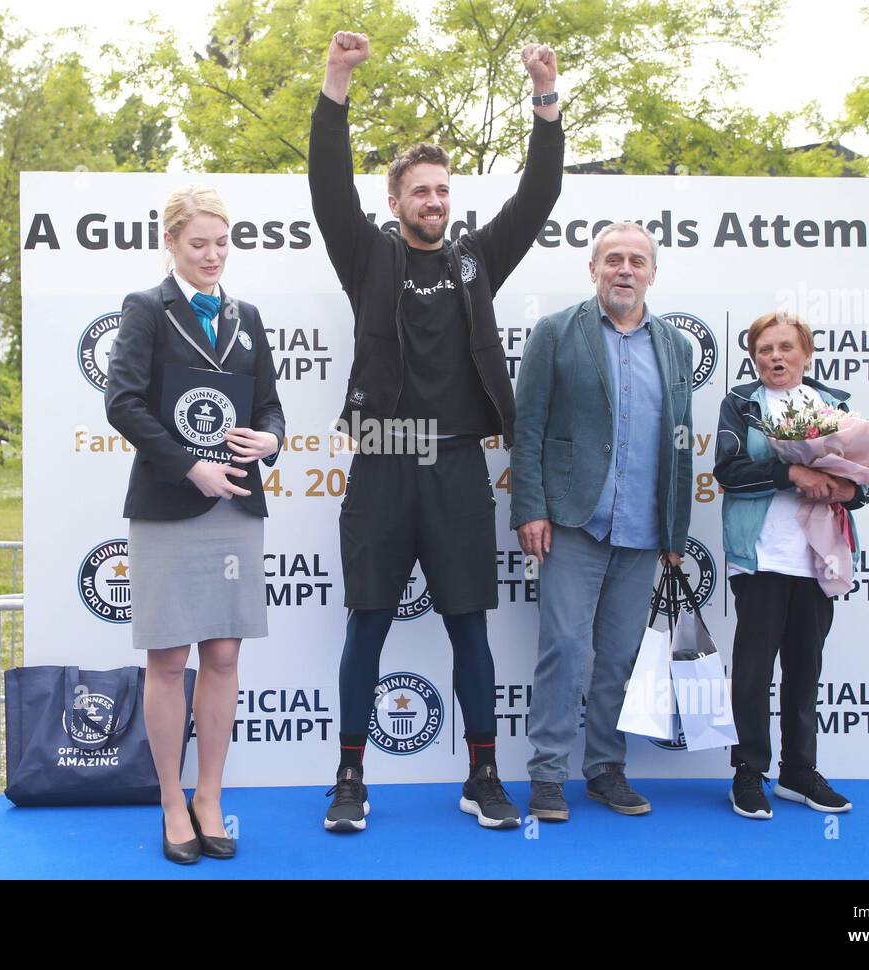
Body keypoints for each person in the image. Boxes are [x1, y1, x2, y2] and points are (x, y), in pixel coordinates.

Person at [309, 30, 564, 831]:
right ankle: (350, 779)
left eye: (442, 191)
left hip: (457, 464)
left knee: (469, 628)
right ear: (396, 202)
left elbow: (538, 196)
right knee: (368, 625)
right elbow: (326, 189)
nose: (434, 202)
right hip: (384, 457)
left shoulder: (477, 260)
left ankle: (482, 773)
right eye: (420, 192)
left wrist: (545, 101)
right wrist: (336, 83)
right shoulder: (368, 257)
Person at [104, 184, 285, 863]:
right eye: (199, 243)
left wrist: (270, 440)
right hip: (170, 503)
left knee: (224, 654)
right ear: (172, 244)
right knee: (168, 657)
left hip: (235, 502)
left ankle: (210, 795)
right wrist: (189, 467)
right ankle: (171, 801)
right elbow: (122, 404)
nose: (213, 255)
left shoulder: (249, 316)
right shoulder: (146, 310)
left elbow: (270, 407)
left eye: (221, 242)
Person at [511, 222, 694, 822]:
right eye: (612, 259)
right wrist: (530, 507)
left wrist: (675, 530)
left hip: (644, 531)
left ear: (652, 273)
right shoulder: (556, 332)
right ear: (593, 270)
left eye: (636, 261)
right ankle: (547, 775)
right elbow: (529, 428)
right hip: (573, 521)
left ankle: (605, 769)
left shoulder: (674, 345)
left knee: (619, 655)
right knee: (564, 649)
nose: (624, 269)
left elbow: (681, 444)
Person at [714, 310, 869, 819]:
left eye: (785, 347)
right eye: (765, 350)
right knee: (754, 668)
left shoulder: (834, 406)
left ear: (805, 353)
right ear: (753, 357)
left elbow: (865, 480)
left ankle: (799, 772)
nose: (775, 357)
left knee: (805, 666)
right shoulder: (741, 404)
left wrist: (851, 488)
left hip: (818, 557)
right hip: (761, 555)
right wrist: (790, 472)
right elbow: (729, 471)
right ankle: (749, 772)